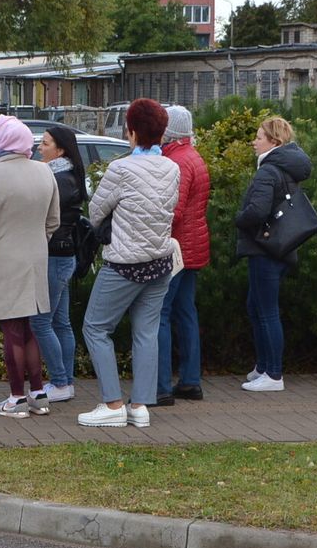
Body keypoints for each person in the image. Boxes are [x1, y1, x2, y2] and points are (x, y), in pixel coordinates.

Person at [77, 99, 180, 428]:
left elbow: (95, 213)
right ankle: (140, 406)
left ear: (131, 132)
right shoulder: (172, 168)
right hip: (160, 262)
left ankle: (112, 403)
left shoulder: (120, 169)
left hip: (125, 264)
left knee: (95, 327)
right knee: (147, 332)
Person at [0, 115, 60, 419]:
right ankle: (38, 393)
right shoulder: (44, 172)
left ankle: (16, 397)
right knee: (29, 328)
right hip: (35, 259)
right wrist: (37, 242)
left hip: (0, 261)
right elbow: (53, 221)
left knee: (11, 329)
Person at [233, 117, 313, 393]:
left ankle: (274, 374)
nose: (254, 141)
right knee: (256, 306)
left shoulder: (268, 170)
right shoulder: (286, 167)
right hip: (280, 247)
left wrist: (239, 218)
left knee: (265, 311)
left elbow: (258, 210)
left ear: (274, 141)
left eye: (259, 137)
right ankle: (264, 366)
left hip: (265, 249)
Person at [158, 105, 210, 404]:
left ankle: (160, 384)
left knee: (161, 314)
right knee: (186, 312)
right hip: (194, 245)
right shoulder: (193, 155)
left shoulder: (175, 161)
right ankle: (190, 380)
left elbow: (174, 211)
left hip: (176, 246)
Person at [33, 126, 86, 402]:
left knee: (40, 322)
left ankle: (60, 381)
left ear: (60, 150)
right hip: (63, 256)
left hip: (55, 256)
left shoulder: (59, 180)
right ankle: (67, 381)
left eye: (44, 143)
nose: (39, 148)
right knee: (61, 322)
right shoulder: (66, 176)